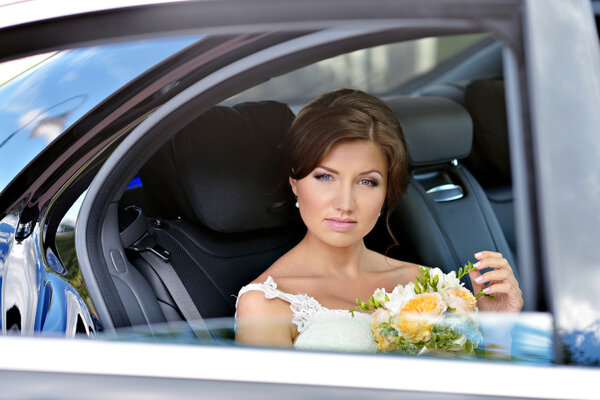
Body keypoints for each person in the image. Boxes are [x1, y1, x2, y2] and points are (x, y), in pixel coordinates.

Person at [235, 88, 523, 351]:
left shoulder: (430, 285)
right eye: (325, 177)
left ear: (387, 190)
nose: (345, 204)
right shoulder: (266, 304)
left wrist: (497, 332)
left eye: (366, 182)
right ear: (295, 182)